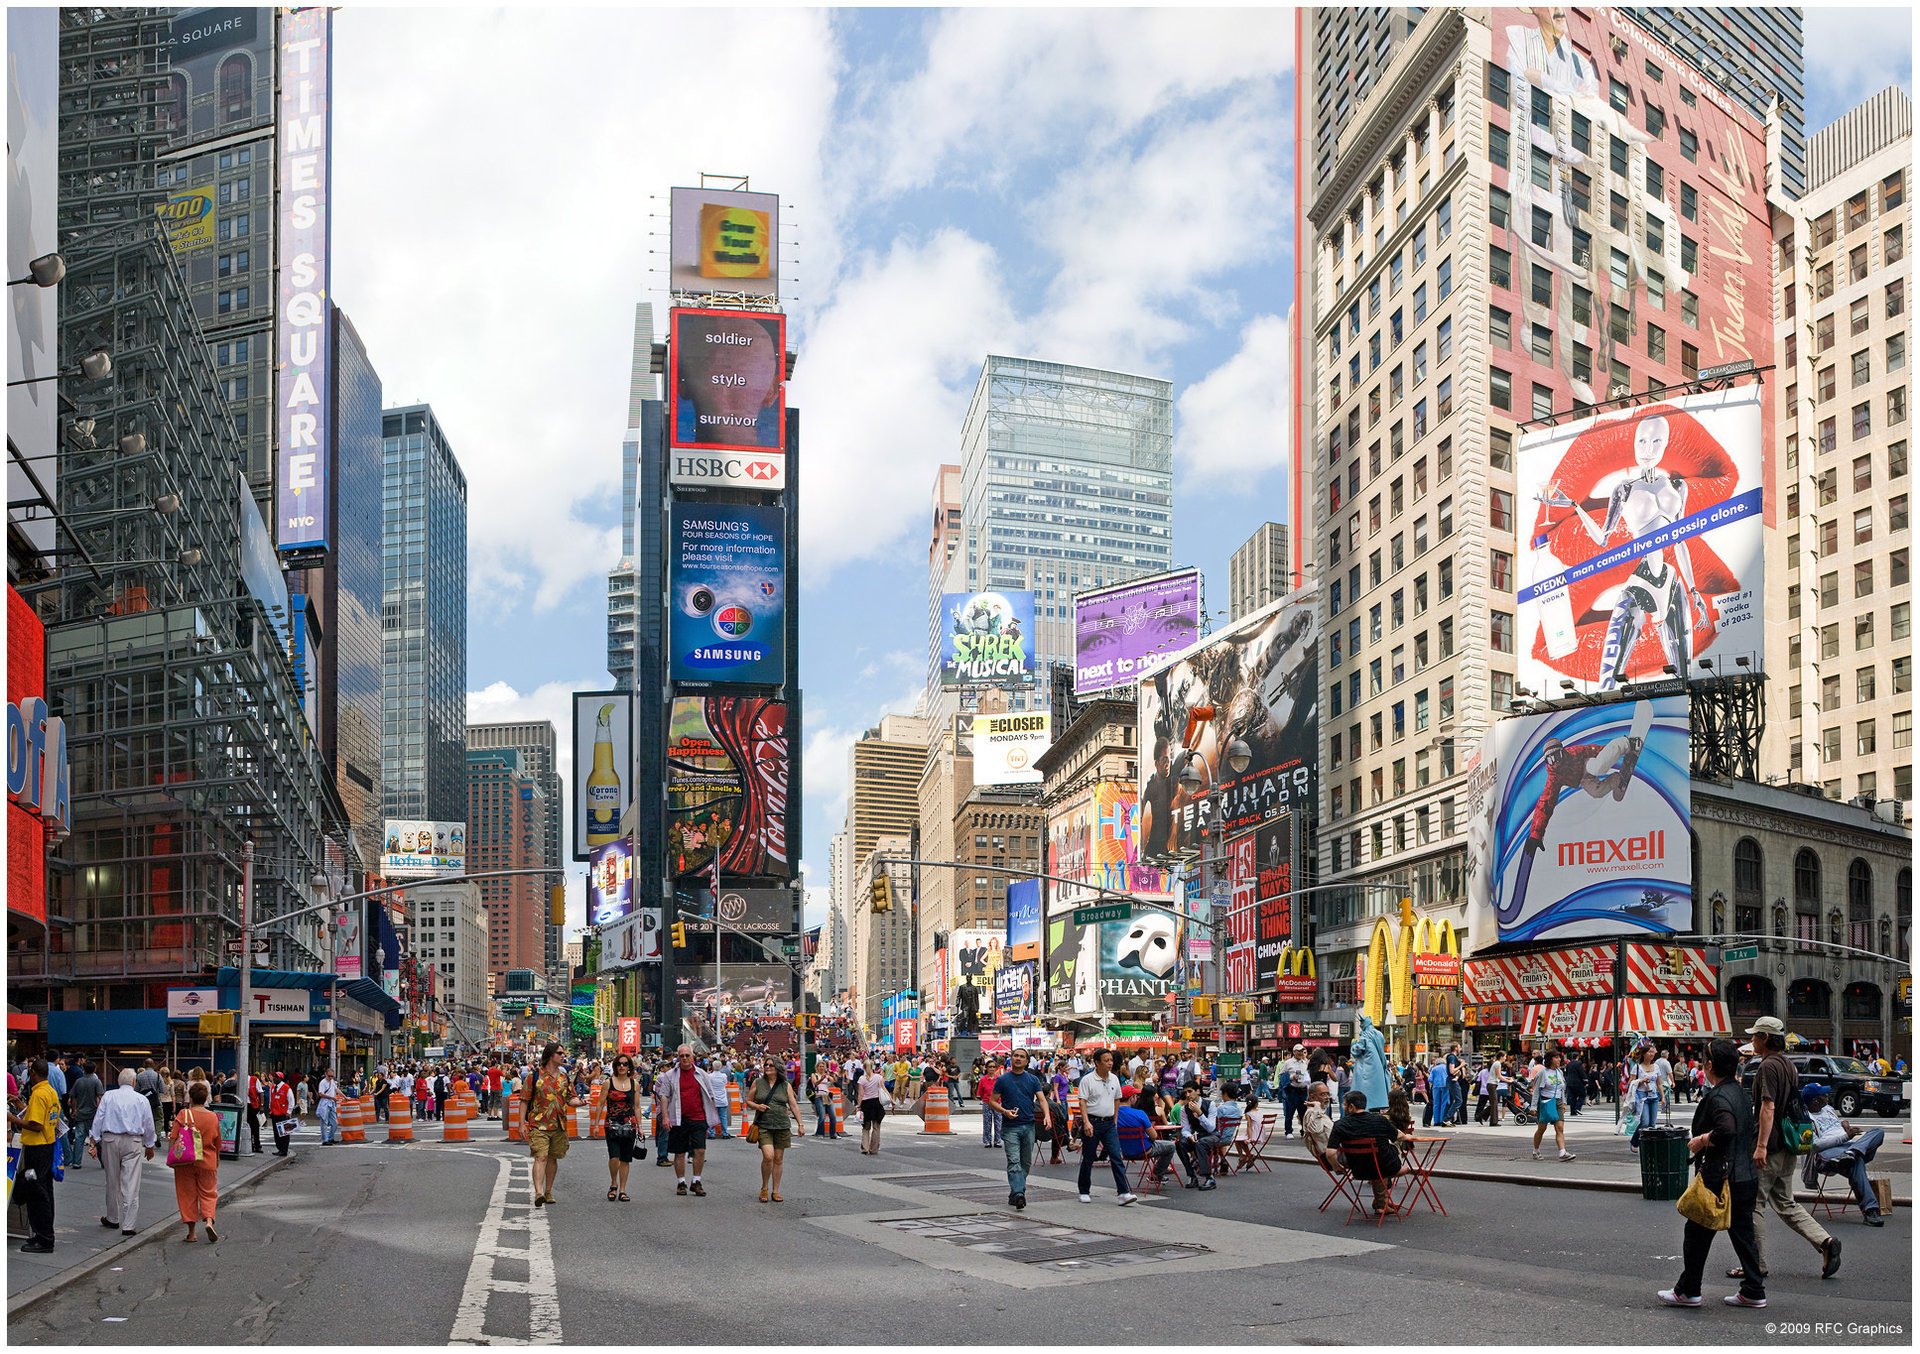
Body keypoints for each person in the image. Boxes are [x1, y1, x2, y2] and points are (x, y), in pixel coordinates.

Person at [1658, 1039, 1766, 1308]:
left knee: (1695, 1233)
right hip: (1745, 1175)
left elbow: (1726, 1129)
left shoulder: (1717, 1096)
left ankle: (1689, 1291)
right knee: (1743, 1235)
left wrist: (1702, 1140)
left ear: (1709, 1065)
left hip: (1720, 1177)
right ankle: (1753, 1290)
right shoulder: (1741, 1093)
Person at [1746, 1017, 1841, 1280]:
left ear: (1766, 1038)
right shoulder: (1788, 1065)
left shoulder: (1767, 1067)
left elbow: (1768, 1106)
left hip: (1772, 1146)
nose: (1752, 1040)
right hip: (1789, 1145)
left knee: (1754, 1205)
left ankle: (1756, 1265)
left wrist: (1761, 1146)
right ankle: (1826, 1242)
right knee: (1786, 1203)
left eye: (1755, 1036)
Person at [1800, 1082, 1886, 1225]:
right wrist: (1846, 1136)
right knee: (1855, 1162)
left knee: (1878, 1132)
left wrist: (1844, 1124)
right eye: (1823, 1094)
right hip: (1826, 1155)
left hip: (1848, 1147)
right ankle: (1870, 1210)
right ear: (1815, 1101)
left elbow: (1835, 1124)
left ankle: (1852, 1152)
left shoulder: (1827, 1108)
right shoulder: (1804, 1119)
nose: (1827, 1096)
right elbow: (1811, 1147)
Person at [89, 1068, 156, 1235]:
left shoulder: (109, 1096)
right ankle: (129, 1224)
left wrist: (93, 1139)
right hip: (133, 1141)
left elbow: (99, 1117)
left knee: (112, 1180)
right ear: (134, 1082)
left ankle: (112, 1217)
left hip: (110, 1139)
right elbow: (148, 1123)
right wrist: (149, 1145)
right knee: (131, 1182)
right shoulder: (141, 1099)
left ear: (119, 1082)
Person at [984, 1048, 1053, 1211]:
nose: (1018, 1059)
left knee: (1026, 1163)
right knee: (1014, 1162)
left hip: (1028, 1126)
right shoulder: (1002, 1080)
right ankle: (1019, 1193)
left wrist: (1047, 1115)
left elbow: (1042, 1099)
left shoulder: (1033, 1079)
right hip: (1010, 1128)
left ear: (1027, 1061)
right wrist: (1004, 1111)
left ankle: (1014, 1192)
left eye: (1022, 1057)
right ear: (1011, 1059)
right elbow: (992, 1101)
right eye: (1015, 1056)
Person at [9, 1059, 64, 1252]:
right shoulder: (50, 1091)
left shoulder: (40, 1094)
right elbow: (36, 1116)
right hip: (46, 1147)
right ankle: (42, 1234)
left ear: (32, 1073)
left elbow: (36, 1124)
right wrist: (19, 1103)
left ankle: (44, 1238)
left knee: (37, 1192)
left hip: (38, 1148)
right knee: (43, 1190)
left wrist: (12, 1118)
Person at [1075, 1048, 1138, 1206]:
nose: (1110, 1063)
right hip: (1092, 1121)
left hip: (1109, 1123)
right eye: (1106, 1060)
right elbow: (1082, 1101)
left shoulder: (1115, 1079)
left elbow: (1117, 1099)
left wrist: (1115, 1118)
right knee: (1088, 1157)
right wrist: (1086, 1122)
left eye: (1111, 1060)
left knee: (1116, 1156)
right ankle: (1084, 1191)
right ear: (1097, 1062)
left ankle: (1123, 1192)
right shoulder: (1087, 1080)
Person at [1327, 1089, 1404, 1216]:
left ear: (1351, 1106)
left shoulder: (1340, 1125)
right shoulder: (1379, 1120)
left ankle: (1381, 1204)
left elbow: (1330, 1153)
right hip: (1384, 1166)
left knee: (1377, 1160)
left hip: (1358, 1169)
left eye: (1344, 1104)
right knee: (1383, 1157)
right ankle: (1381, 1204)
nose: (1343, 1107)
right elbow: (1398, 1136)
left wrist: (1337, 1167)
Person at [523, 1043, 579, 1208]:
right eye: (560, 1053)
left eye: (563, 1053)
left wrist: (581, 1102)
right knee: (541, 1156)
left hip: (559, 1125)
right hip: (538, 1124)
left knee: (553, 1159)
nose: (563, 1056)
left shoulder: (564, 1077)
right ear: (550, 1055)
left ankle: (548, 1191)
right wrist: (521, 1123)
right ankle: (538, 1192)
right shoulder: (533, 1077)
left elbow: (570, 1098)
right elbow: (524, 1100)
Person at [660, 1044, 720, 1197]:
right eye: (682, 1056)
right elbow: (664, 1096)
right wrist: (665, 1117)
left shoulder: (701, 1074)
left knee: (700, 1150)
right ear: (678, 1057)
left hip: (698, 1117)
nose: (685, 1058)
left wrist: (712, 1115)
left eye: (687, 1055)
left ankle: (696, 1181)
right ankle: (681, 1182)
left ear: (692, 1057)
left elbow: (710, 1095)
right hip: (678, 1118)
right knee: (679, 1152)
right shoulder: (670, 1075)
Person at [170, 1081, 224, 1243]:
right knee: (208, 1192)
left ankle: (191, 1233)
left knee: (187, 1195)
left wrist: (173, 1155)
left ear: (191, 1098)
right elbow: (217, 1141)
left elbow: (173, 1138)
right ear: (206, 1097)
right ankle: (208, 1221)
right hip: (207, 1160)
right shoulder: (213, 1117)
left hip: (185, 1162)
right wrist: (217, 1158)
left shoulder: (183, 1114)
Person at [746, 1054, 803, 1204]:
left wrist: (800, 1124)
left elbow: (793, 1105)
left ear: (778, 1068)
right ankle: (764, 1187)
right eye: (766, 1065)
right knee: (769, 1156)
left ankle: (775, 1190)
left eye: (771, 1065)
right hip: (764, 1125)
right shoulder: (758, 1083)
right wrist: (757, 1106)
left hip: (782, 1125)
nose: (767, 1067)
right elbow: (748, 1101)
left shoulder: (785, 1085)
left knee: (778, 1159)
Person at [602, 1056, 641, 1203]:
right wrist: (595, 1126)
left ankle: (623, 1189)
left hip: (629, 1124)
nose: (622, 1066)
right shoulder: (608, 1083)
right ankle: (613, 1183)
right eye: (619, 1064)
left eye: (625, 1064)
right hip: (611, 1124)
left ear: (629, 1066)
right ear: (615, 1066)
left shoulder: (635, 1084)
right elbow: (600, 1104)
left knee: (625, 1159)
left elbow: (636, 1106)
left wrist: (640, 1127)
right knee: (614, 1157)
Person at [1529, 1049, 1577, 1162]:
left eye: (1559, 1057)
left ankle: (1562, 1152)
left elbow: (1562, 1088)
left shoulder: (1559, 1072)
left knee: (1560, 1128)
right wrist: (1533, 1106)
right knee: (1542, 1128)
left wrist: (1564, 1102)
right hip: (1545, 1101)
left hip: (1557, 1102)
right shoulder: (1543, 1072)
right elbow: (1536, 1090)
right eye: (1556, 1057)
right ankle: (1536, 1150)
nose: (1559, 1059)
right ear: (1550, 1059)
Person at [1174, 1082, 1219, 1189]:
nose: (1188, 1095)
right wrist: (1189, 1135)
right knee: (1180, 1144)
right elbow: (1185, 1128)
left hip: (1211, 1135)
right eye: (1185, 1093)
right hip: (1196, 1135)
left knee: (1200, 1143)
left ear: (1198, 1091)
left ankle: (1209, 1178)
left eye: (1190, 1091)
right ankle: (1192, 1176)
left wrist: (1200, 1114)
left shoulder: (1210, 1104)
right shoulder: (1184, 1109)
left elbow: (1211, 1128)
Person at [66, 1058, 103, 1170]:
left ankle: (76, 1162)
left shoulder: (79, 1081)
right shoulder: (97, 1081)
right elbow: (100, 1097)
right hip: (93, 1115)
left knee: (79, 1138)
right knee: (97, 1138)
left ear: (83, 1069)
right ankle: (104, 1162)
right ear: (94, 1069)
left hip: (80, 1114)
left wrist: (74, 1110)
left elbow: (72, 1097)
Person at [1626, 1046, 1663, 1149]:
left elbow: (1659, 1083)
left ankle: (1648, 1145)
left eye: (1653, 1052)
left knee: (1652, 1124)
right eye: (1649, 1052)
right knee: (1645, 1122)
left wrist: (1663, 1097)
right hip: (1642, 1097)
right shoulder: (1637, 1067)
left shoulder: (1656, 1067)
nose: (1652, 1054)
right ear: (1643, 1054)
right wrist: (1641, 1081)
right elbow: (1631, 1083)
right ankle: (1634, 1142)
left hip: (1654, 1096)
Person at [856, 1060, 889, 1155]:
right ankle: (874, 1149)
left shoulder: (861, 1079)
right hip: (876, 1103)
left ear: (864, 1068)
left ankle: (865, 1147)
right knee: (876, 1127)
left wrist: (859, 1106)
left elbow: (861, 1094)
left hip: (866, 1104)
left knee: (866, 1127)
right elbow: (883, 1089)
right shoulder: (878, 1077)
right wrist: (891, 1099)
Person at [1279, 1045, 1311, 1137]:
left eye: (1302, 1051)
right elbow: (1281, 1075)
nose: (1301, 1053)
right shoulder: (1288, 1063)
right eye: (1299, 1051)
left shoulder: (1305, 1062)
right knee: (1290, 1111)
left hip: (1303, 1089)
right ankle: (1288, 1131)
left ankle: (1304, 1129)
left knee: (1303, 1112)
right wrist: (1291, 1077)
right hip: (1292, 1089)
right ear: (1294, 1052)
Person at [268, 1073, 296, 1157]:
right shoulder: (272, 1087)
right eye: (274, 1077)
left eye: (276, 1077)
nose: (274, 1078)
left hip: (283, 1113)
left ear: (280, 1078)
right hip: (274, 1113)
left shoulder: (286, 1088)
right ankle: (280, 1148)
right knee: (276, 1132)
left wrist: (289, 1111)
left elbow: (291, 1100)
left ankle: (284, 1150)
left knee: (284, 1133)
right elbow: (271, 1099)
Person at [976, 1059, 1002, 1150]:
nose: (992, 1068)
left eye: (993, 1067)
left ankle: (997, 1141)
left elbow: (1002, 1091)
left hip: (998, 1103)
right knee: (987, 1123)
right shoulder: (983, 1080)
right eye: (990, 1067)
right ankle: (987, 1141)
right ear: (986, 1068)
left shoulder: (999, 1079)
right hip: (987, 1102)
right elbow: (980, 1093)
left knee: (998, 1122)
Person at [134, 1058, 163, 1127]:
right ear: (153, 1065)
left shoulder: (139, 1076)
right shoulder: (158, 1076)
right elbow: (162, 1089)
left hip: (143, 1102)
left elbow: (136, 1090)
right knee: (158, 1119)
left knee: (144, 1119)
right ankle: (157, 1136)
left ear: (144, 1065)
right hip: (156, 1102)